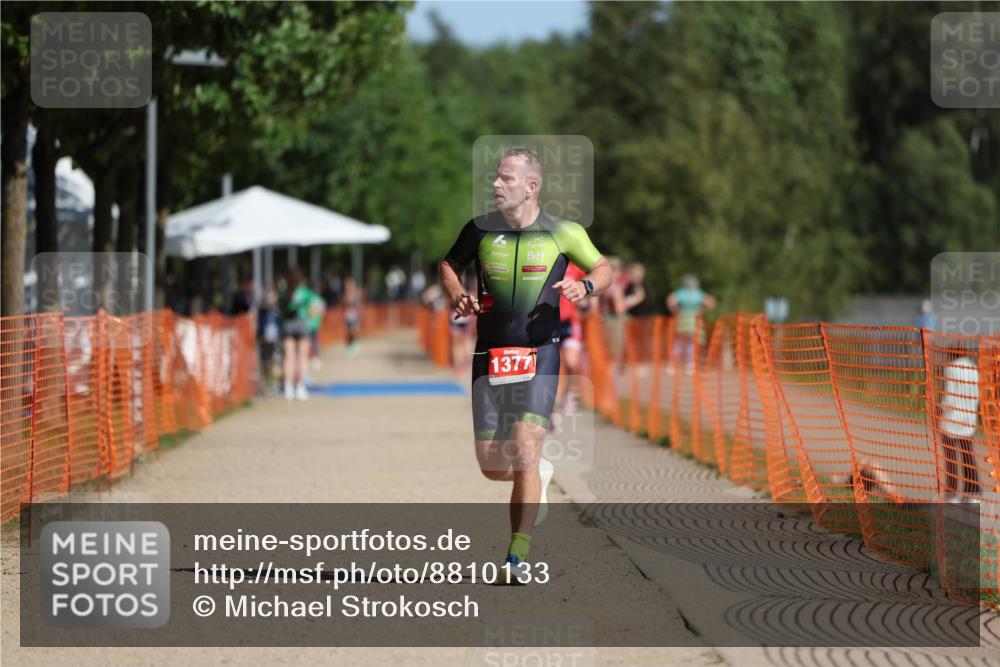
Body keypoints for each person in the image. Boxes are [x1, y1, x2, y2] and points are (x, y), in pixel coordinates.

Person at [439, 147, 611, 579]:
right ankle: (537, 474)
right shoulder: (478, 229)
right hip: (489, 354)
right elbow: (447, 264)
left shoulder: (564, 232)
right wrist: (455, 292)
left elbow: (603, 266)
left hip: (541, 351)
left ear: (531, 187)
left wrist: (586, 286)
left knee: (526, 446)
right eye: (496, 178)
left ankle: (517, 555)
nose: (496, 185)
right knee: (493, 464)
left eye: (506, 179)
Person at [937, 351, 981, 501]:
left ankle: (952, 494)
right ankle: (974, 493)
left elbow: (950, 397)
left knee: (950, 459)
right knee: (968, 457)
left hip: (952, 420)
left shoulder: (952, 368)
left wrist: (940, 407)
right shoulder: (974, 368)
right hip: (969, 419)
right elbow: (977, 396)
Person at [554, 263, 587, 423]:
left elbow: (591, 281)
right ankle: (550, 406)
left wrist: (585, 298)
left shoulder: (576, 267)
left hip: (570, 322)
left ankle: (570, 394)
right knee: (550, 363)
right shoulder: (547, 260)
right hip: (549, 321)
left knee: (571, 362)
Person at [280, 270, 319, 401]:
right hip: (302, 323)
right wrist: (311, 319)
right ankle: (300, 387)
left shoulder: (284, 292)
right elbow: (316, 305)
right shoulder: (304, 292)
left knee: (288, 357)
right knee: (302, 357)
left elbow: (280, 308)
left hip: (288, 324)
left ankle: (288, 387)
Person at [666, 274, 716, 375]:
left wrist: (676, 311)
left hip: (683, 319)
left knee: (680, 342)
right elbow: (711, 302)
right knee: (691, 343)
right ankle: (689, 365)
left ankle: (674, 364)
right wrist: (701, 310)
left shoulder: (681, 293)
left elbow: (670, 300)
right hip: (693, 320)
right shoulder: (698, 294)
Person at [343, 276, 362, 357]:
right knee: (348, 332)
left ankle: (354, 344)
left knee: (354, 331)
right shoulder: (346, 295)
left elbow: (359, 305)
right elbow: (344, 303)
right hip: (348, 316)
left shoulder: (357, 294)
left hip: (355, 316)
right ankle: (349, 347)